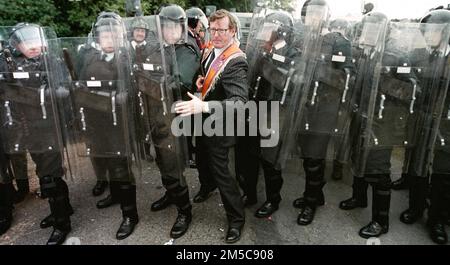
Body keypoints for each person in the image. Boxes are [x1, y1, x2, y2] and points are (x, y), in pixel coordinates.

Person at [175, 9, 248, 243]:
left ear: (233, 31)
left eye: (221, 30)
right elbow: (209, 76)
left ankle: (236, 219)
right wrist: (200, 80)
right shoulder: (211, 50)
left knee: (223, 172)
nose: (215, 34)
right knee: (203, 159)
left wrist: (204, 107)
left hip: (220, 125)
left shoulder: (236, 61)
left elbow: (239, 102)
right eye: (212, 29)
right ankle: (207, 187)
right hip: (204, 120)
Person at [0, 23, 73, 244]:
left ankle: (62, 223)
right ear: (16, 45)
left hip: (50, 127)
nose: (32, 46)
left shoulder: (51, 60)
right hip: (28, 129)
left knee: (51, 177)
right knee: (43, 172)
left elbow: (65, 89)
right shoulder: (11, 65)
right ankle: (63, 208)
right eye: (26, 42)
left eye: (35, 40)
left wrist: (51, 93)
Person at [73, 12, 139, 240]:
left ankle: (130, 214)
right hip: (96, 119)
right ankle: (116, 194)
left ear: (120, 36)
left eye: (113, 34)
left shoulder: (127, 58)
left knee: (121, 167)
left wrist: (125, 95)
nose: (109, 39)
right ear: (97, 37)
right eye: (104, 35)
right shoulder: (90, 57)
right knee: (106, 160)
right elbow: (80, 82)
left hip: (119, 122)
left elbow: (137, 89)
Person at [137, 5, 193, 239]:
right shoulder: (153, 48)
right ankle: (170, 194)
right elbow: (138, 73)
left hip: (174, 119)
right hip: (153, 116)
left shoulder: (186, 50)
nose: (170, 31)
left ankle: (184, 210)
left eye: (175, 26)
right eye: (166, 26)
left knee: (173, 164)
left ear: (182, 27)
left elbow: (179, 83)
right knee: (161, 160)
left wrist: (146, 80)